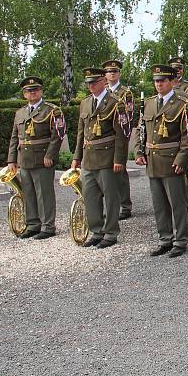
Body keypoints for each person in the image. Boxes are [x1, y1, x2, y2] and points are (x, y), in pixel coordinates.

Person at [135, 65, 188, 258]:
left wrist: (182, 158)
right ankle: (165, 238)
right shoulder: (149, 103)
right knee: (159, 204)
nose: (158, 84)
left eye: (162, 81)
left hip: (171, 159)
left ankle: (180, 240)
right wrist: (139, 150)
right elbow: (141, 129)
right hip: (153, 159)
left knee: (177, 203)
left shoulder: (182, 103)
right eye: (156, 81)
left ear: (171, 82)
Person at [71, 67, 129, 248]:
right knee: (90, 197)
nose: (91, 86)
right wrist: (76, 157)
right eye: (88, 83)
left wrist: (119, 159)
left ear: (103, 82)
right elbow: (81, 133)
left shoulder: (115, 103)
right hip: (89, 158)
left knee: (111, 197)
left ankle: (111, 233)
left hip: (107, 156)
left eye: (94, 82)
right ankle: (96, 231)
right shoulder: (85, 103)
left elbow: (122, 134)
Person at [6, 76, 66, 239]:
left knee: (44, 194)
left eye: (35, 90)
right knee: (28, 193)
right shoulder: (20, 113)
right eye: (28, 91)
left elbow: (58, 135)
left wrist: (50, 155)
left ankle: (48, 226)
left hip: (42, 159)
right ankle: (33, 224)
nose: (32, 93)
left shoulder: (52, 110)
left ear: (41, 91)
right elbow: (14, 138)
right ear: (24, 94)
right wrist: (12, 160)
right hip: (24, 159)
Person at [103, 59, 135, 220]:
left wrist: (124, 135)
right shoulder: (102, 91)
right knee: (105, 171)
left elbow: (128, 115)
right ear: (105, 75)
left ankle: (125, 205)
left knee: (119, 170)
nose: (112, 74)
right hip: (104, 138)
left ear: (119, 74)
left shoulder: (125, 93)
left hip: (119, 134)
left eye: (115, 71)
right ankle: (111, 204)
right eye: (109, 72)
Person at [168, 56, 188, 222]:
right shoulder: (165, 87)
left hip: (183, 135)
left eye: (179, 68)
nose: (177, 70)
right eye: (174, 68)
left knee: (182, 174)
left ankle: (186, 210)